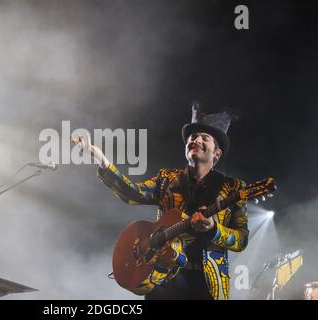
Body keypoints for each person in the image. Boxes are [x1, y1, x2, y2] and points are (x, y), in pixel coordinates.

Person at [73, 104, 249, 300]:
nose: (196, 140)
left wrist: (213, 229)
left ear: (217, 153)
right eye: (192, 137)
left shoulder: (234, 188)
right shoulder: (166, 178)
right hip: (163, 277)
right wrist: (100, 159)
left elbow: (241, 240)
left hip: (207, 283)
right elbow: (133, 193)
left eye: (204, 138)